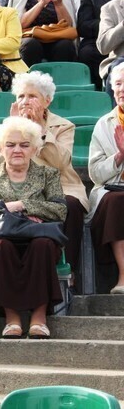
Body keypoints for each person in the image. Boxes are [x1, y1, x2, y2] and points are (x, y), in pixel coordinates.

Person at [0, 116, 67, 338]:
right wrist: (8, 212)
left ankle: (39, 318)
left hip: (38, 238)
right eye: (10, 145)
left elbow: (60, 210)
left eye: (24, 145)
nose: (17, 150)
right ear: (0, 149)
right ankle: (12, 318)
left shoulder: (48, 175)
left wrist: (23, 205)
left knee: (43, 245)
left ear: (34, 148)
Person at [9, 72, 88, 288]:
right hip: (23, 189)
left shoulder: (63, 126)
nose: (25, 102)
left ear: (47, 101)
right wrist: (14, 129)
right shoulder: (10, 127)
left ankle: (68, 271)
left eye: (32, 96)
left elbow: (59, 162)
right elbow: (2, 164)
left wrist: (40, 130)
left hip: (62, 186)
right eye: (21, 96)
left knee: (70, 205)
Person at [89, 64, 124, 293]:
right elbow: (94, 173)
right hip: (113, 189)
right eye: (118, 84)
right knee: (117, 201)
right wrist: (119, 156)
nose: (122, 89)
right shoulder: (104, 123)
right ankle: (123, 276)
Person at [8, 0, 77, 66]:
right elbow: (19, 24)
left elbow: (68, 26)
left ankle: (61, 76)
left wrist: (59, 5)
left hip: (55, 37)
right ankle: (28, 77)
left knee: (66, 45)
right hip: (30, 38)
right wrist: (41, 3)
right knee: (31, 45)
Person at [77, 0, 124, 89]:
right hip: (98, 40)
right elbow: (83, 26)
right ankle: (96, 90)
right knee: (88, 52)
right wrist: (108, 25)